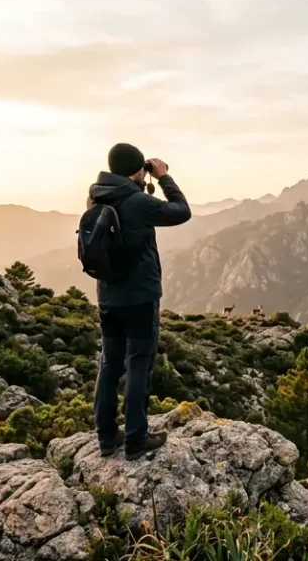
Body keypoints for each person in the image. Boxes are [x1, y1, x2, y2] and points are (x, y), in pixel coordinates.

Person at [89, 143, 191, 459]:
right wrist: (162, 178)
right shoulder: (136, 201)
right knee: (138, 364)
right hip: (140, 299)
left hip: (107, 296)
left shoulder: (96, 195)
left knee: (109, 364)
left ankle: (107, 437)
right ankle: (136, 439)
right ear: (137, 170)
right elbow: (181, 211)